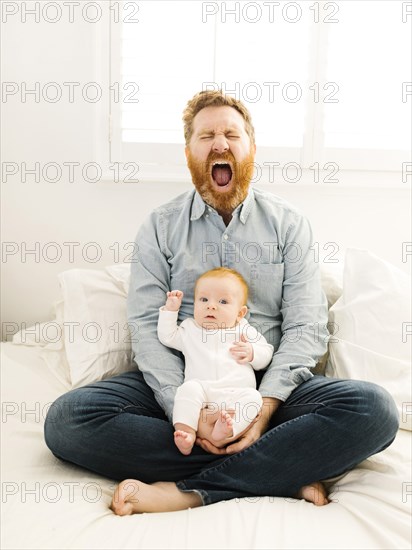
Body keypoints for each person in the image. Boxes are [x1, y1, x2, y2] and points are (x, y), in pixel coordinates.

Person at [44, 90, 399, 516]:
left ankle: (189, 491)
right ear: (189, 151)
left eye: (231, 133)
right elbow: (145, 327)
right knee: (68, 420)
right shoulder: (160, 226)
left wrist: (264, 410)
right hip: (183, 382)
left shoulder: (289, 225)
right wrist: (186, 414)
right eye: (206, 135)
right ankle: (284, 467)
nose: (219, 143)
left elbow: (306, 327)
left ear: (251, 148)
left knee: (374, 410)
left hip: (269, 390)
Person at [158, 267, 274, 455]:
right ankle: (186, 433)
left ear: (240, 313)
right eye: (203, 300)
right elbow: (167, 336)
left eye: (223, 301)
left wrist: (252, 353)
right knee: (186, 390)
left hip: (236, 393)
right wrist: (170, 310)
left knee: (254, 399)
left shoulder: (244, 330)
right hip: (204, 393)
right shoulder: (190, 329)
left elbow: (266, 355)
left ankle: (226, 430)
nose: (211, 306)